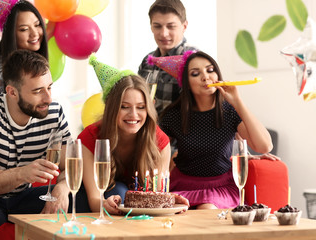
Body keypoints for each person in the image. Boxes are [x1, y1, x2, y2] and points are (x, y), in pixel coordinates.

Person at [0, 50, 88, 240]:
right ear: (12, 92)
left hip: (20, 199)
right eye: (37, 91)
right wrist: (23, 173)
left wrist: (63, 189)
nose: (48, 98)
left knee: (80, 196)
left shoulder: (53, 114)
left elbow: (71, 166)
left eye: (49, 87)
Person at [153, 50, 273, 209]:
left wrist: (237, 101)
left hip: (220, 188)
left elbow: (264, 146)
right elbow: (152, 148)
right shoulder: (174, 116)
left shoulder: (229, 111)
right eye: (195, 74)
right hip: (181, 186)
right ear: (186, 83)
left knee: (207, 209)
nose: (206, 77)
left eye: (210, 70)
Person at [78, 55, 188, 215]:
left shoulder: (159, 141)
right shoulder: (90, 138)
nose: (133, 114)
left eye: (141, 107)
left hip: (138, 217)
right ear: (111, 108)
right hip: (96, 206)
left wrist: (168, 202)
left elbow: (155, 197)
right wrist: (105, 205)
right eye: (124, 107)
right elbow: (94, 199)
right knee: (120, 191)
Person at [0, 0, 50, 96]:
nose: (35, 33)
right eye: (24, 29)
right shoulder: (0, 71)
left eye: (37, 25)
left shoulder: (31, 58)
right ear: (11, 34)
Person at [138, 0, 198, 116]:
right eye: (157, 26)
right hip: (151, 131)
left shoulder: (194, 59)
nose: (164, 33)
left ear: (184, 26)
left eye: (171, 26)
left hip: (181, 132)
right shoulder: (147, 61)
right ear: (151, 27)